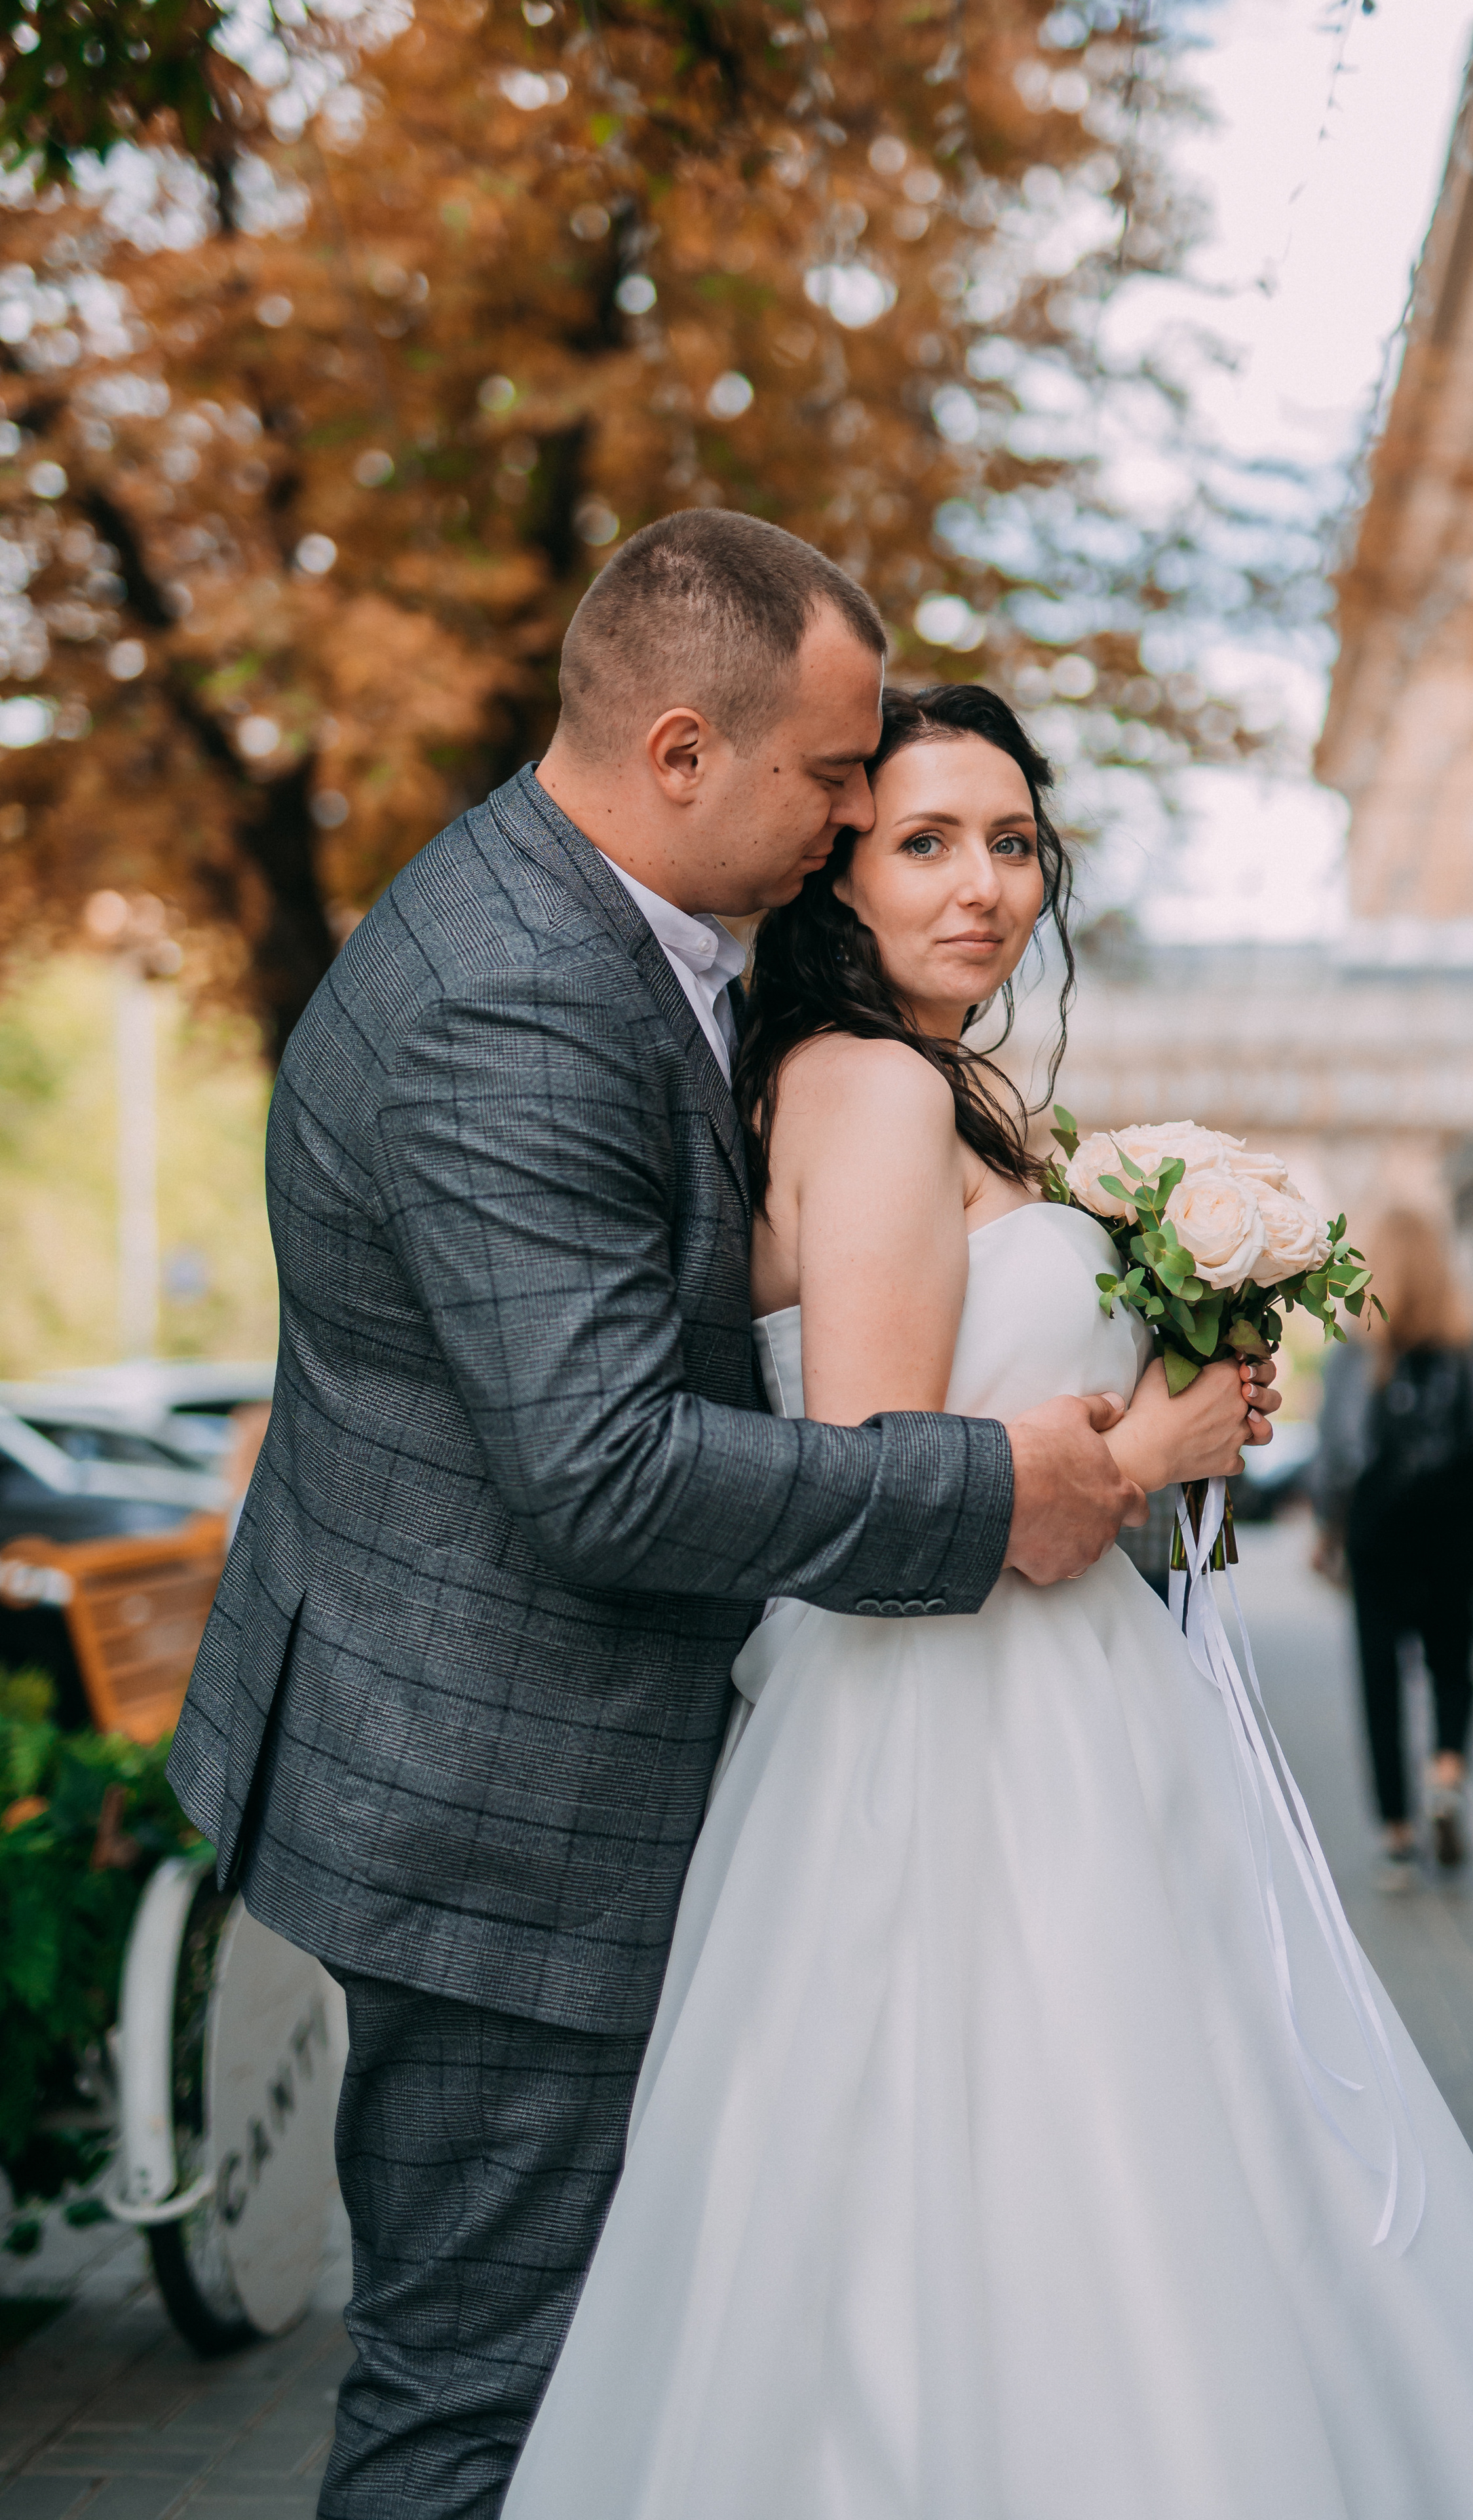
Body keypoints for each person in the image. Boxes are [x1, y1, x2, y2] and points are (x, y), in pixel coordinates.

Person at [500, 685, 1473, 2519]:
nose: (984, 884)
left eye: (1015, 840)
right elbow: (896, 1490)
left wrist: (1171, 1416)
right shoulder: (867, 1087)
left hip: (1074, 1711)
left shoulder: (971, 1098)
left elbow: (1015, 1443)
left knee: (1152, 2179)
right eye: (926, 839)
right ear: (836, 866)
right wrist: (1151, 1437)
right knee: (1012, 2192)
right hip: (945, 1742)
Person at [166, 514, 1157, 2520]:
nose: (861, 808)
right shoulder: (514, 995)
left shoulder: (610, 936)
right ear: (681, 751)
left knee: (582, 2377)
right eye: (834, 774)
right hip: (497, 1814)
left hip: (525, 1756)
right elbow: (605, 1461)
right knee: (481, 2397)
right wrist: (1002, 1486)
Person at [1312, 1209, 1473, 1890]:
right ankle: (1447, 1770)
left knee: (1379, 1674)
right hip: (1452, 1525)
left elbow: (1338, 1452)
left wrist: (1326, 1528)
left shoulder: (1357, 1349)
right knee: (1455, 1658)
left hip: (1379, 1527)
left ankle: (1395, 1834)